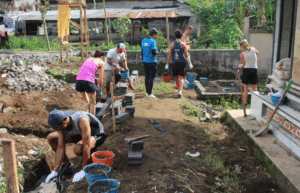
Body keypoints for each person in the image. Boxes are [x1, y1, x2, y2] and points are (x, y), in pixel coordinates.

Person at [45, 109, 107, 183]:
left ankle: (91, 154)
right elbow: (60, 147)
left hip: (96, 134)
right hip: (80, 134)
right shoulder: (61, 125)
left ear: (63, 123)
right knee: (51, 138)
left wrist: (83, 170)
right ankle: (68, 166)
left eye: (55, 128)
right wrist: (55, 171)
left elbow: (86, 145)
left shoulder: (82, 120)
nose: (54, 129)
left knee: (78, 149)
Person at [75, 50, 105, 115]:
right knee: (93, 103)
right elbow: (100, 79)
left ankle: (85, 118)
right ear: (102, 57)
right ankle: (92, 121)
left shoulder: (88, 59)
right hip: (88, 81)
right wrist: (100, 89)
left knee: (87, 102)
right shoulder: (102, 63)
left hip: (78, 80)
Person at [165, 29, 193, 98]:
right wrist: (190, 63)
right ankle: (180, 90)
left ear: (175, 36)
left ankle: (178, 89)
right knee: (181, 77)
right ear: (181, 36)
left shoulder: (172, 45)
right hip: (182, 63)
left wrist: (167, 64)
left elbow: (170, 56)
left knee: (177, 77)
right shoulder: (183, 44)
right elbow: (186, 55)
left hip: (174, 63)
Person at [141, 28, 161, 99]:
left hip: (145, 61)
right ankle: (149, 94)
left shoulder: (143, 40)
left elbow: (142, 51)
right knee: (151, 78)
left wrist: (143, 60)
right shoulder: (153, 41)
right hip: (152, 62)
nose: (156, 37)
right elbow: (154, 52)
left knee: (147, 77)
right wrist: (158, 52)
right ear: (154, 34)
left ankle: (147, 92)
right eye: (156, 35)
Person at [239, 39, 259, 105]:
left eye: (240, 47)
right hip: (254, 70)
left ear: (243, 46)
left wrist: (242, 65)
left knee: (245, 88)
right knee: (254, 88)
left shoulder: (242, 55)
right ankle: (256, 102)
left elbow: (244, 64)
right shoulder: (253, 49)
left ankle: (245, 102)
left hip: (247, 70)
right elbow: (257, 53)